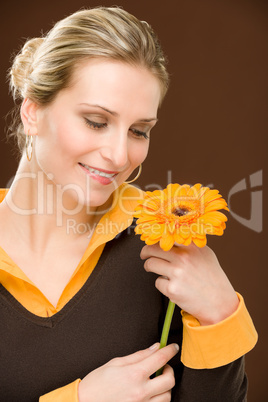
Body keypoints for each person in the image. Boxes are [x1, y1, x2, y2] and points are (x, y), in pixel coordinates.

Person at [0, 6, 257, 402]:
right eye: (96, 122)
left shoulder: (164, 241)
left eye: (139, 131)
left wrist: (219, 314)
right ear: (33, 111)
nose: (120, 156)